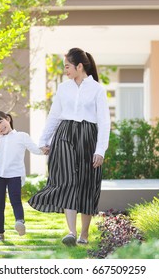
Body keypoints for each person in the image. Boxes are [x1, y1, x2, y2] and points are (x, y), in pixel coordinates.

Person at [28, 47, 111, 246]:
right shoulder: (63, 88)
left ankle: (84, 234)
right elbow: (55, 115)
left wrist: (100, 150)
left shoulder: (97, 89)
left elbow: (104, 122)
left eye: (67, 66)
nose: (65, 70)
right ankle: (71, 233)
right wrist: (44, 140)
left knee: (87, 184)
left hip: (88, 137)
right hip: (64, 135)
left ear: (79, 66)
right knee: (67, 182)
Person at [0, 111, 44, 242]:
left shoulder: (22, 136)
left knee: (15, 200)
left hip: (14, 174)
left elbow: (35, 149)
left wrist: (45, 149)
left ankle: (20, 222)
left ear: (8, 119)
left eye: (0, 122)